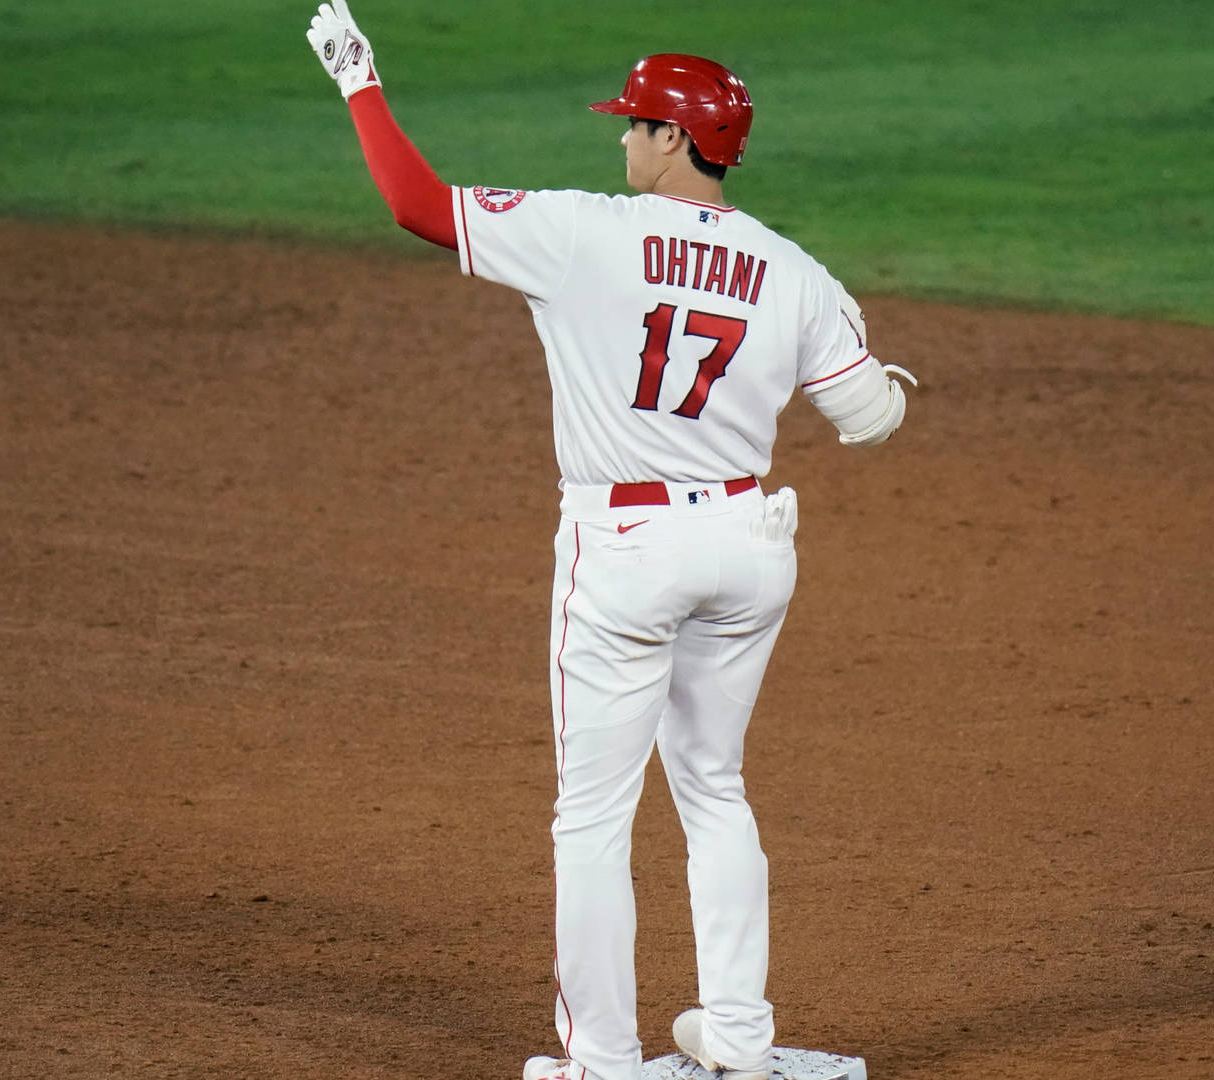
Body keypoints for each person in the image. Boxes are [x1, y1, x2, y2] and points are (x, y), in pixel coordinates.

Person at [306, 5, 915, 1078]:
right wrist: (863, 346)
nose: (621, 138)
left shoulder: (585, 229)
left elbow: (413, 202)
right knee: (714, 788)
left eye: (636, 122)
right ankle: (737, 1041)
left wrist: (359, 78)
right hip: (748, 544)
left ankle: (603, 1062)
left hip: (627, 546)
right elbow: (868, 420)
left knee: (591, 813)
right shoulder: (791, 268)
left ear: (677, 140)